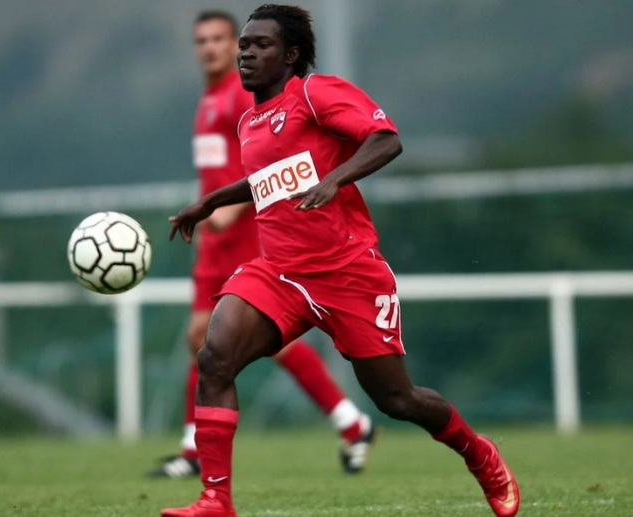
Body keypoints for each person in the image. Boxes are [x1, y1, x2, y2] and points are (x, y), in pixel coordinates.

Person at [162, 4, 521, 517]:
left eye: (261, 45)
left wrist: (335, 179)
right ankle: (216, 499)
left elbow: (386, 139)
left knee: (397, 400)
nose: (246, 54)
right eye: (244, 45)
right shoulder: (249, 121)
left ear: (290, 55)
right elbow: (267, 179)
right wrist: (211, 201)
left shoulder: (316, 92)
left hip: (348, 273)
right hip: (281, 273)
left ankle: (478, 453)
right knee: (214, 355)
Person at [148, 10, 376, 479]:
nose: (211, 48)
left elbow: (271, 163)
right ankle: (349, 423)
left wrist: (229, 210)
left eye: (220, 39)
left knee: (243, 337)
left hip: (248, 234)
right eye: (202, 41)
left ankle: (198, 447)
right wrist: (208, 209)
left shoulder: (244, 94)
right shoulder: (209, 100)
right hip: (213, 241)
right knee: (206, 339)